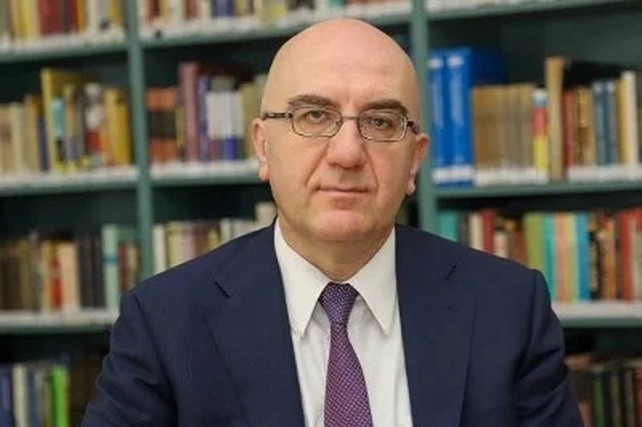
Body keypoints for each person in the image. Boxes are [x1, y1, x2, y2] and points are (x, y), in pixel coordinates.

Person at [81, 18, 583, 427]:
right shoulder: (165, 321)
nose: (347, 153)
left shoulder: (508, 308)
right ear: (262, 146)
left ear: (414, 160)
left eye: (380, 122)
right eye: (314, 116)